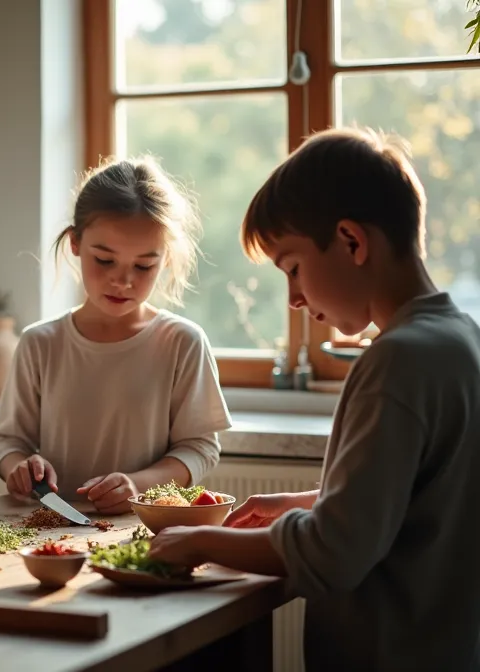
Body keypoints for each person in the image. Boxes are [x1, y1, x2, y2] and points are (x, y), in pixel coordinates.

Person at [149, 127, 480, 670]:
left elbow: (334, 554)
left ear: (351, 241)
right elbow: (418, 498)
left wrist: (199, 542)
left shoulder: (397, 361)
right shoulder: (461, 339)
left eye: (293, 268)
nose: (294, 298)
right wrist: (308, 501)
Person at [0, 156, 231, 514]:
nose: (123, 281)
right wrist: (20, 468)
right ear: (75, 242)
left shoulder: (182, 342)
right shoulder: (39, 343)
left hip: (143, 526)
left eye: (144, 266)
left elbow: (200, 448)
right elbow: (9, 443)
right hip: (52, 528)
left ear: (165, 259)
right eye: (104, 260)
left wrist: (138, 485)